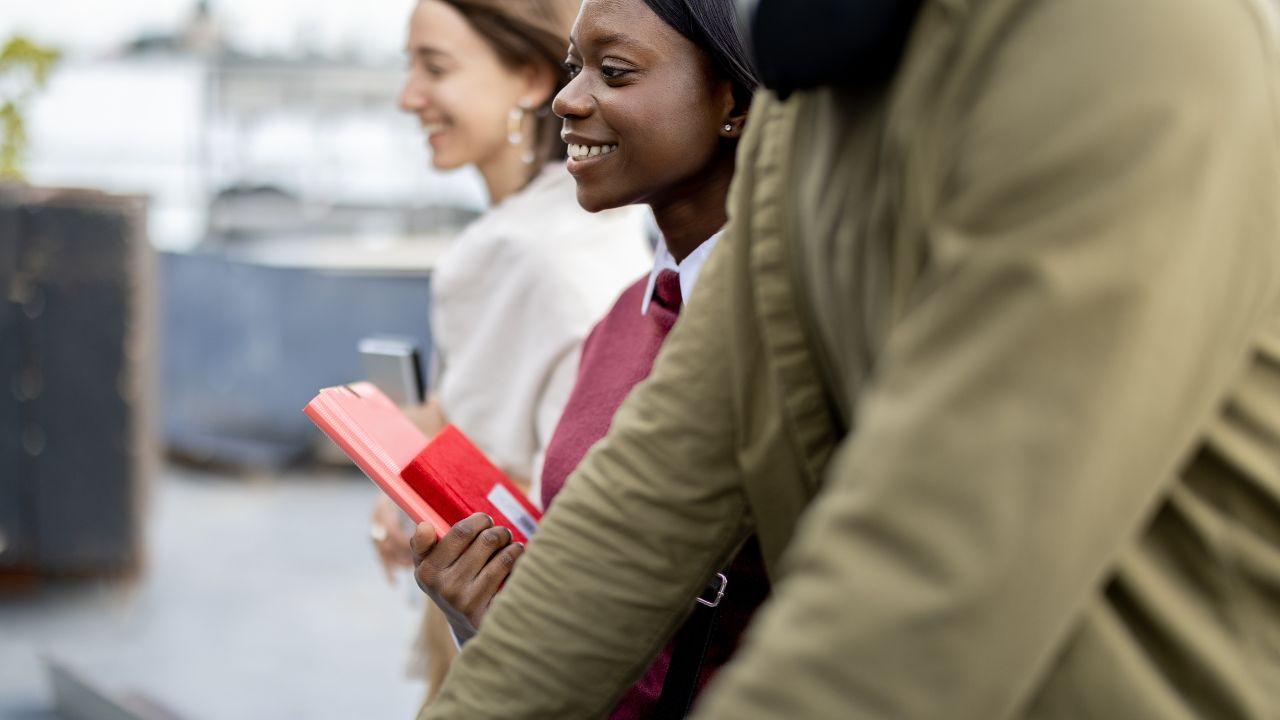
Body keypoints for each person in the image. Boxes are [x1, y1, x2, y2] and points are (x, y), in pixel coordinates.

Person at [413, 0, 1280, 717]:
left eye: (613, 71)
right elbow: (652, 493)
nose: (572, 100)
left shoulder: (1125, 34)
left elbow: (934, 571)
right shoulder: (814, 102)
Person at [408, 0, 767, 716]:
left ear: (731, 102)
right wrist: (485, 617)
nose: (567, 99)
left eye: (616, 71)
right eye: (574, 68)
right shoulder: (625, 317)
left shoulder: (779, 334)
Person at [369, 0, 651, 703]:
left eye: (435, 67)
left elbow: (533, 478)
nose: (408, 96)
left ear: (529, 78)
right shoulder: (594, 227)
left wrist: (413, 475)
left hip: (509, 634)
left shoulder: (521, 255)